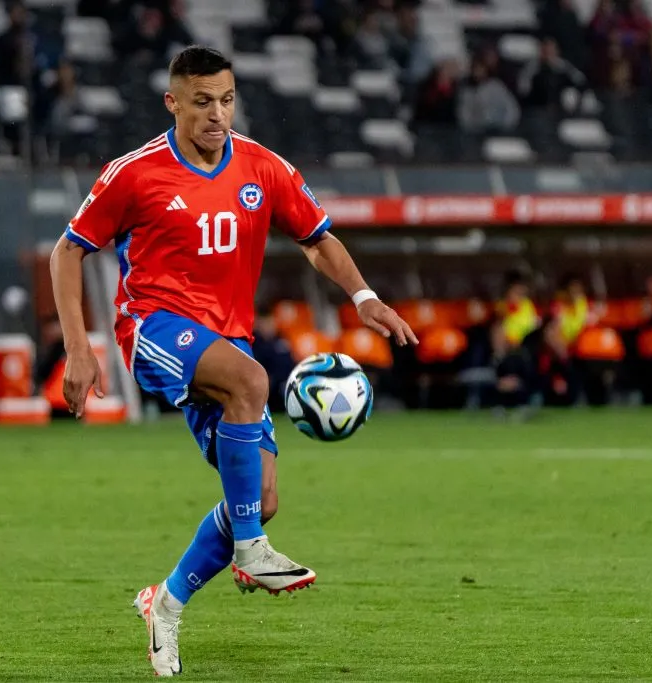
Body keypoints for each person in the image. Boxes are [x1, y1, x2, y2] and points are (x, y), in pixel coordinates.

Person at [48, 46, 417, 677]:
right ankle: (251, 551)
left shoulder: (261, 166)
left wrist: (365, 297)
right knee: (252, 382)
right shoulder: (133, 174)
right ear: (173, 102)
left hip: (226, 341)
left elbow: (317, 238)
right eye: (201, 102)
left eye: (226, 100)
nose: (217, 114)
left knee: (261, 496)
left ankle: (165, 602)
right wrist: (79, 350)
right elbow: (67, 251)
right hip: (153, 328)